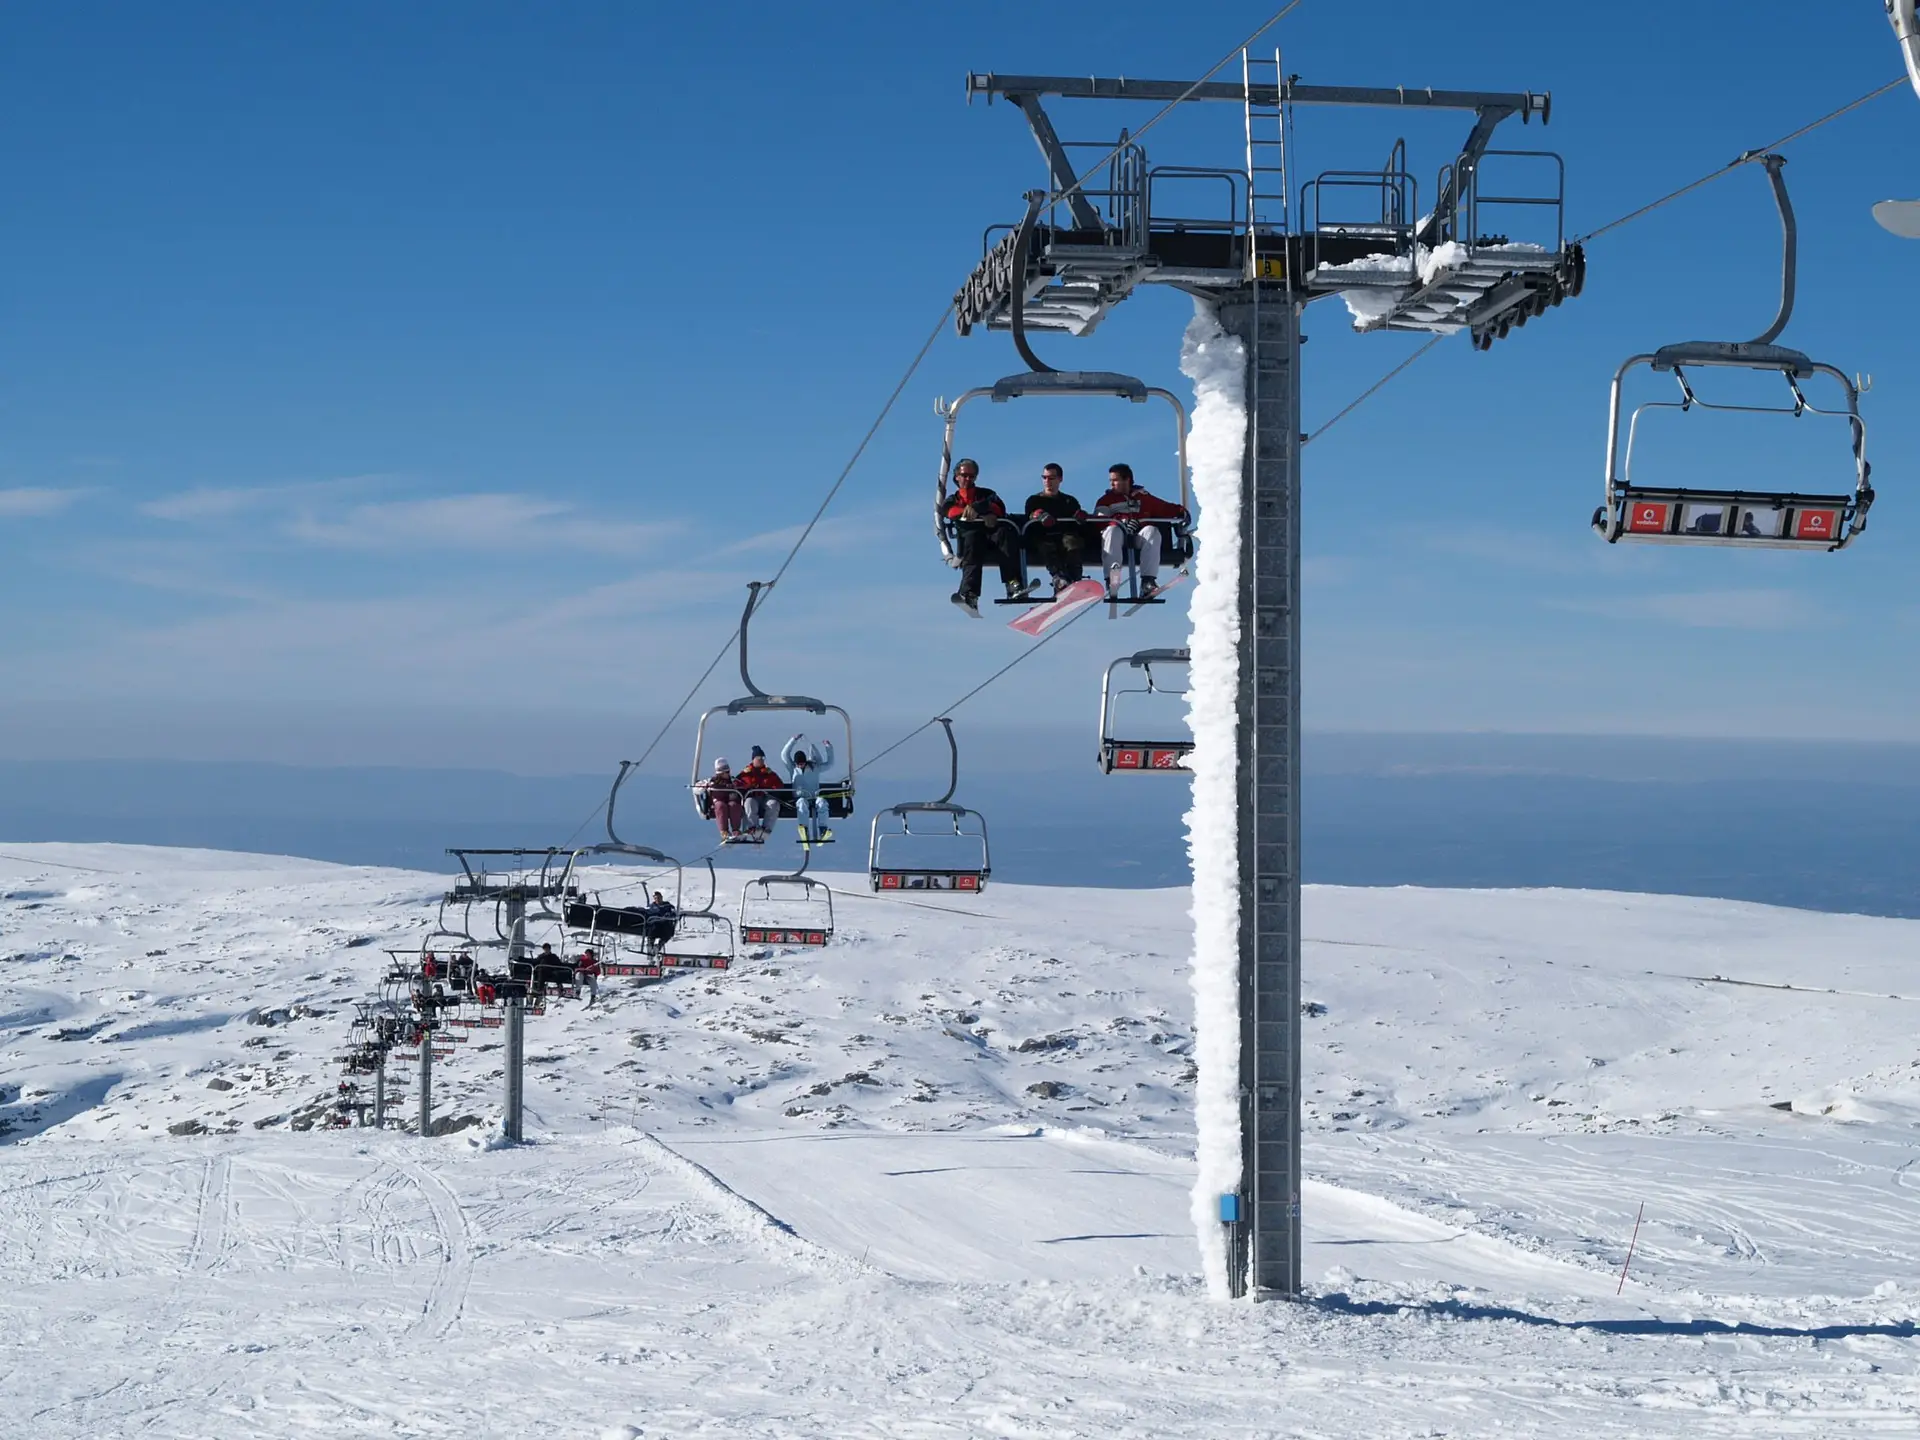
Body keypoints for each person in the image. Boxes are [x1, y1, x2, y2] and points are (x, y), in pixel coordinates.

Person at [1093, 463, 1188, 598]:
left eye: (1115, 480)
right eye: (1111, 481)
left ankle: (1148, 582)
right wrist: (1120, 522)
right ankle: (1112, 579)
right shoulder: (1106, 500)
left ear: (1127, 480)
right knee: (1113, 532)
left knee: (1151, 531)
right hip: (1117, 538)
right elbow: (1099, 521)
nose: (1112, 484)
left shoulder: (1143, 498)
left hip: (1137, 537)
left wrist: (1181, 512)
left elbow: (1164, 508)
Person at [943, 459, 1027, 609]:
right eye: (964, 475)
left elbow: (999, 508)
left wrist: (979, 508)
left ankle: (1012, 583)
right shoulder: (954, 499)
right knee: (972, 542)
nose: (967, 479)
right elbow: (949, 511)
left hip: (992, 535)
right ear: (957, 476)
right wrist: (973, 512)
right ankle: (970, 592)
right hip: (971, 538)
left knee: (1004, 535)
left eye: (971, 476)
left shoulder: (987, 494)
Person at [1021, 462, 1088, 591]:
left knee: (1072, 542)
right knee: (1047, 546)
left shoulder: (1069, 501)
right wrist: (1039, 515)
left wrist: (1080, 516)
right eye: (1044, 478)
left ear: (1060, 479)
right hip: (1043, 536)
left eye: (1051, 478)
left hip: (1064, 535)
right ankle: (1059, 577)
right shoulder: (1034, 500)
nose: (1047, 481)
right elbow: (1030, 514)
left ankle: (1075, 577)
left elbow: (1076, 517)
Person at [781, 732, 836, 842]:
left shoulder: (814, 768)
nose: (800, 765)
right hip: (800, 798)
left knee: (822, 803)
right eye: (798, 764)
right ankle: (804, 828)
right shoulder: (793, 769)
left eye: (802, 763)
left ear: (805, 761)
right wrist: (793, 740)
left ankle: (823, 829)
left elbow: (829, 764)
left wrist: (828, 748)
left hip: (814, 797)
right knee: (801, 804)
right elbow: (784, 755)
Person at [735, 745, 783, 842]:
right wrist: (748, 788)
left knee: (773, 804)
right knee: (749, 803)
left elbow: (779, 785)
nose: (761, 760)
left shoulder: (769, 774)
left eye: (762, 758)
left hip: (765, 798)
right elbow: (737, 785)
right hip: (753, 798)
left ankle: (766, 829)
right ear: (753, 759)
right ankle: (753, 828)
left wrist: (769, 790)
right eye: (758, 758)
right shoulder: (746, 774)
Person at [700, 757, 745, 841]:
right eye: (726, 772)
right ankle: (724, 831)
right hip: (718, 804)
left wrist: (737, 786)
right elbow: (697, 788)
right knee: (721, 806)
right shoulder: (711, 781)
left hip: (730, 802)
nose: (728, 774)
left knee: (734, 805)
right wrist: (705, 786)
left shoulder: (733, 781)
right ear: (720, 773)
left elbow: (743, 785)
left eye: (728, 771)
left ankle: (736, 830)